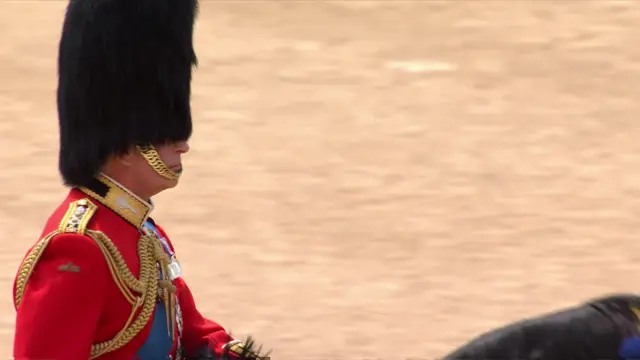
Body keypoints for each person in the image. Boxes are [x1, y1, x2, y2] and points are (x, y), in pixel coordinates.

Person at [11, 0, 269, 359]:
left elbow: (188, 330)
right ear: (125, 147)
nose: (183, 146)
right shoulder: (77, 248)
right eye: (166, 134)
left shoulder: (145, 234)